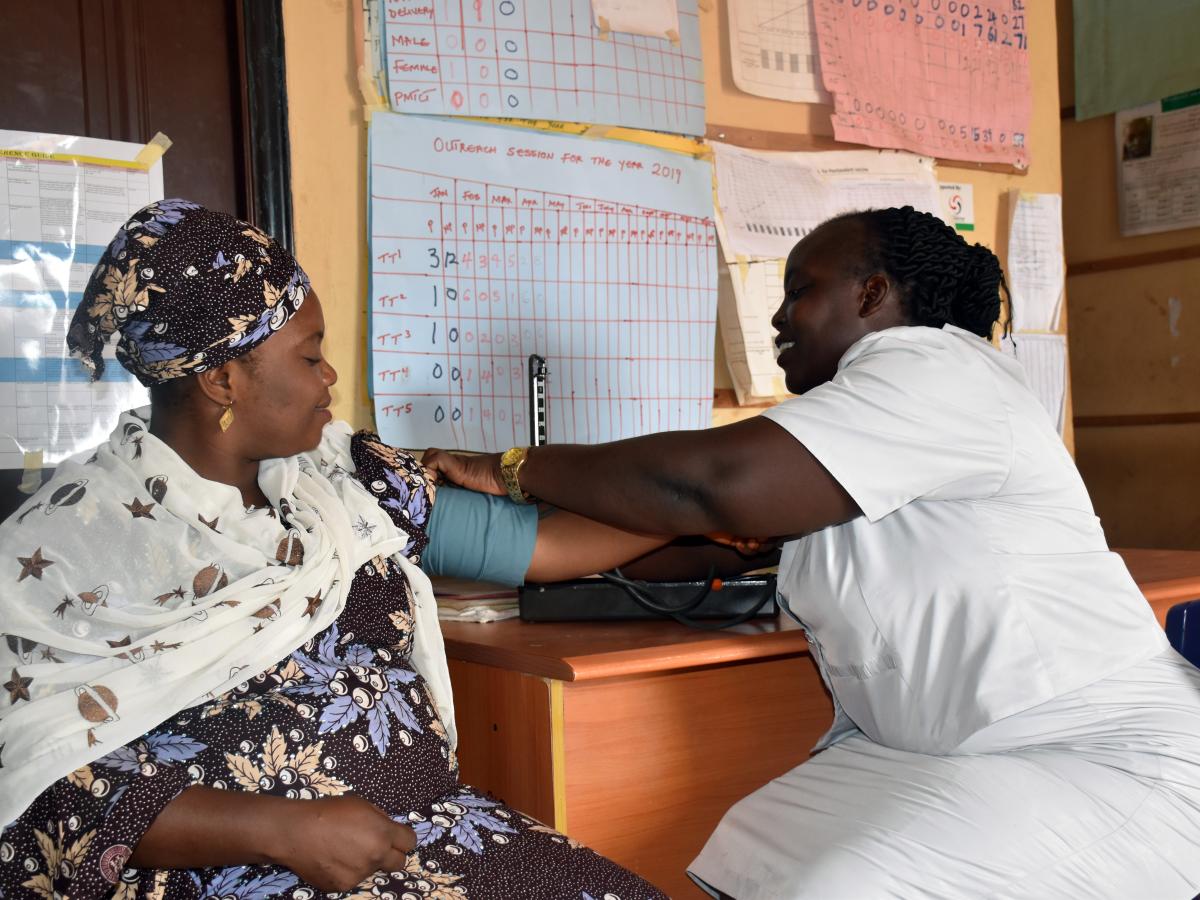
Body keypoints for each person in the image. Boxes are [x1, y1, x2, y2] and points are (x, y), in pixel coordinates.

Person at [425, 206, 1200, 899]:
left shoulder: (936, 365)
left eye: (800, 289)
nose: (777, 317)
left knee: (842, 884)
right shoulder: (846, 434)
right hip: (942, 747)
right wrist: (467, 524)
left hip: (1095, 754)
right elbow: (686, 542)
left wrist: (509, 468)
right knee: (770, 844)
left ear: (872, 295)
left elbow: (715, 484)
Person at [0, 199, 676, 899]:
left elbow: (542, 546)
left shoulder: (342, 479)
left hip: (432, 837)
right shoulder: (61, 551)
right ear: (222, 379)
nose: (329, 379)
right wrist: (279, 830)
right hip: (236, 873)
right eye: (311, 355)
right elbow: (36, 785)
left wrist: (699, 513)